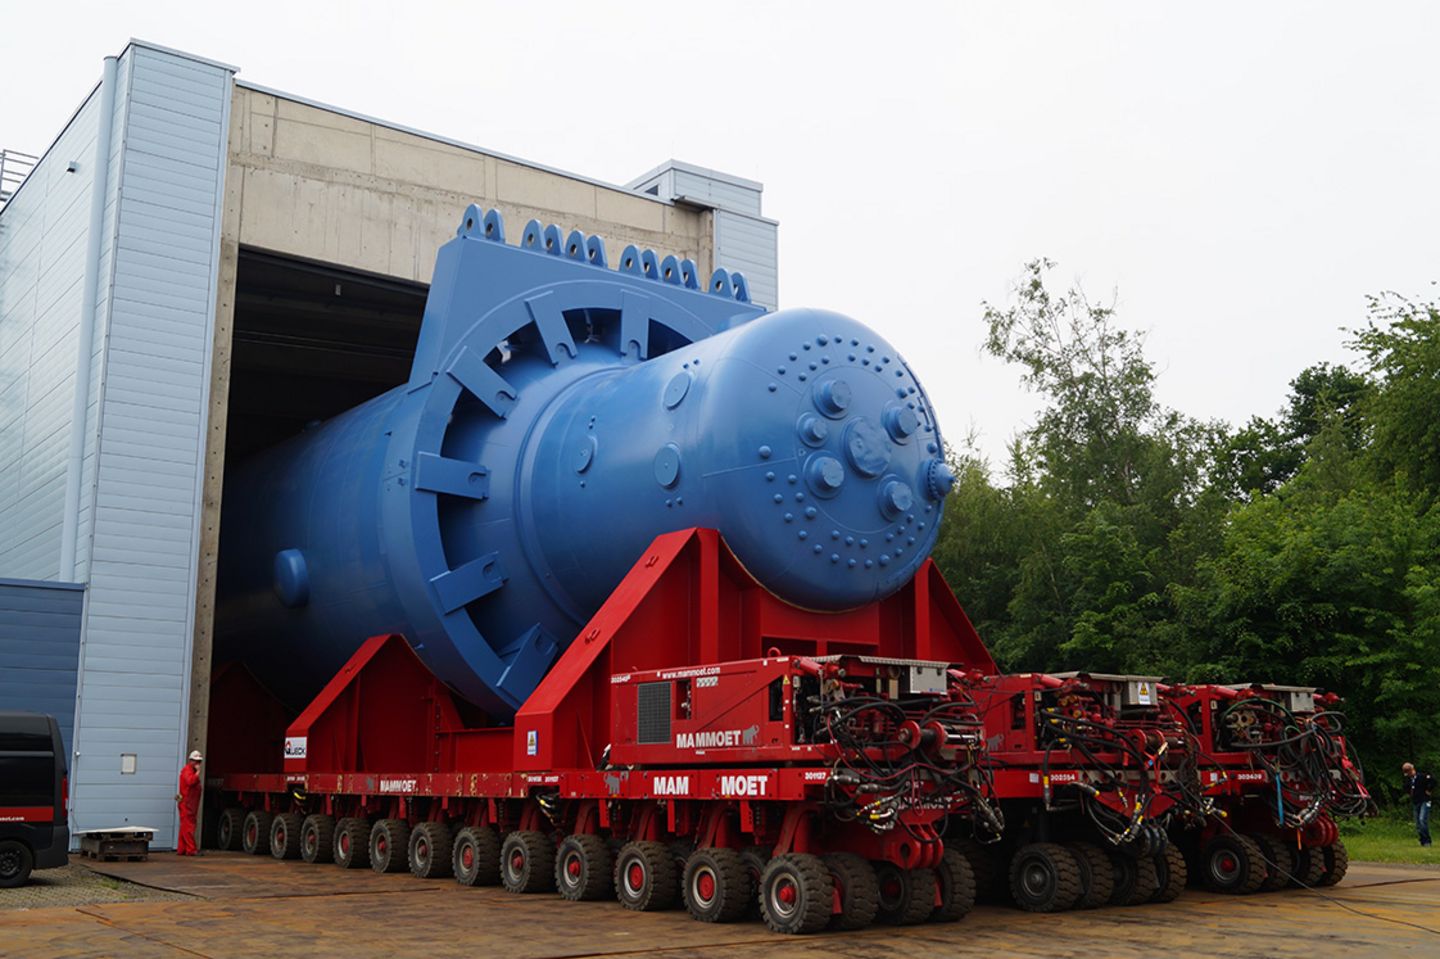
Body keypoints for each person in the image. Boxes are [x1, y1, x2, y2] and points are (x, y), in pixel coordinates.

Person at [176, 750, 203, 856]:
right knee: (188, 827)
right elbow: (190, 781)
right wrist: (198, 773)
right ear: (191, 761)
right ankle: (191, 849)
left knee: (185, 826)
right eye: (196, 761)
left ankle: (182, 849)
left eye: (199, 761)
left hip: (189, 803)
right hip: (187, 804)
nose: (198, 764)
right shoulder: (188, 771)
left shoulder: (189, 770)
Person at [1402, 762, 1434, 847]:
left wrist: (1429, 790)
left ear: (1412, 770)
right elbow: (1405, 788)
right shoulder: (1409, 780)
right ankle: (1422, 839)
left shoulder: (1422, 776)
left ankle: (1427, 840)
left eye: (1408, 772)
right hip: (1416, 801)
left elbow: (1433, 781)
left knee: (1422, 819)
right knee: (1418, 823)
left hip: (1425, 800)